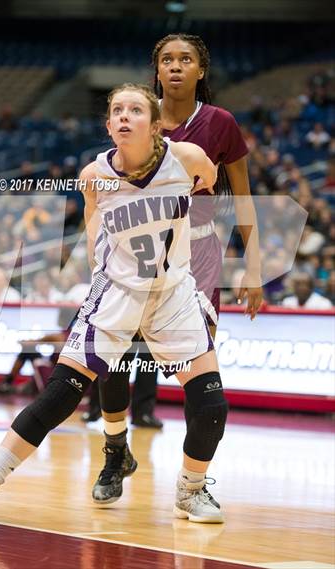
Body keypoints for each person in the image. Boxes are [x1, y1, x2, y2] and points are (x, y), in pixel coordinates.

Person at [0, 83, 226, 524]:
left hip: (173, 292)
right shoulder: (94, 174)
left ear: (156, 125)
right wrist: (104, 278)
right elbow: (95, 229)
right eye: (117, 110)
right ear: (109, 124)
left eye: (136, 110)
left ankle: (190, 491)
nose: (124, 117)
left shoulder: (187, 158)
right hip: (116, 292)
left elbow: (209, 182)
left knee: (210, 401)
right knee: (61, 392)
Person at [92, 34, 263, 505]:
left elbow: (244, 196)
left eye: (185, 59)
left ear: (201, 70)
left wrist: (253, 265)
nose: (175, 67)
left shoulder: (220, 123)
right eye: (166, 60)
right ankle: (114, 449)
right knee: (115, 353)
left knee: (200, 368)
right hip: (134, 251)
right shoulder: (138, 117)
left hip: (198, 255)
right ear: (156, 70)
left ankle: (193, 482)